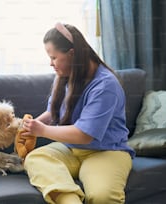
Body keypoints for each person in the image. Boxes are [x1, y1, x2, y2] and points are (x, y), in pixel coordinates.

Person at [22, 23, 135, 204]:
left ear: (72, 54)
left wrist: (41, 130)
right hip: (70, 149)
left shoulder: (105, 85)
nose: (51, 63)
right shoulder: (68, 76)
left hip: (106, 152)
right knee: (35, 158)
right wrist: (30, 125)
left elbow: (84, 135)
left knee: (102, 197)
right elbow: (53, 112)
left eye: (54, 57)